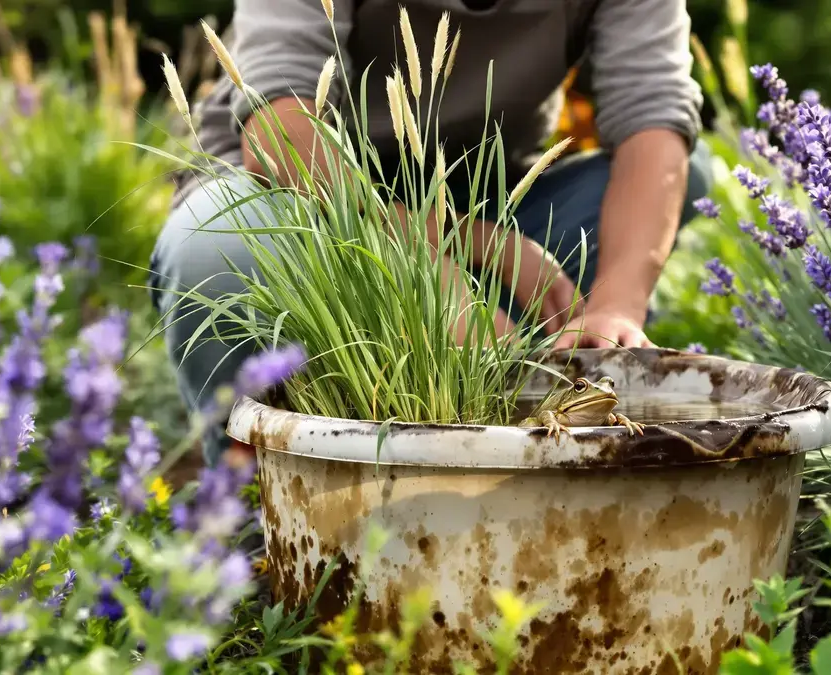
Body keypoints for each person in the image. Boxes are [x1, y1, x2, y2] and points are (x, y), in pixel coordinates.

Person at [148, 0, 713, 465]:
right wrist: (449, 254)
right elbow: (282, 126)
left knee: (685, 175)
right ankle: (262, 512)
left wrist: (615, 305)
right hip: (299, 202)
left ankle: (525, 441)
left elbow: (653, 115)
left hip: (489, 197)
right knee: (214, 250)